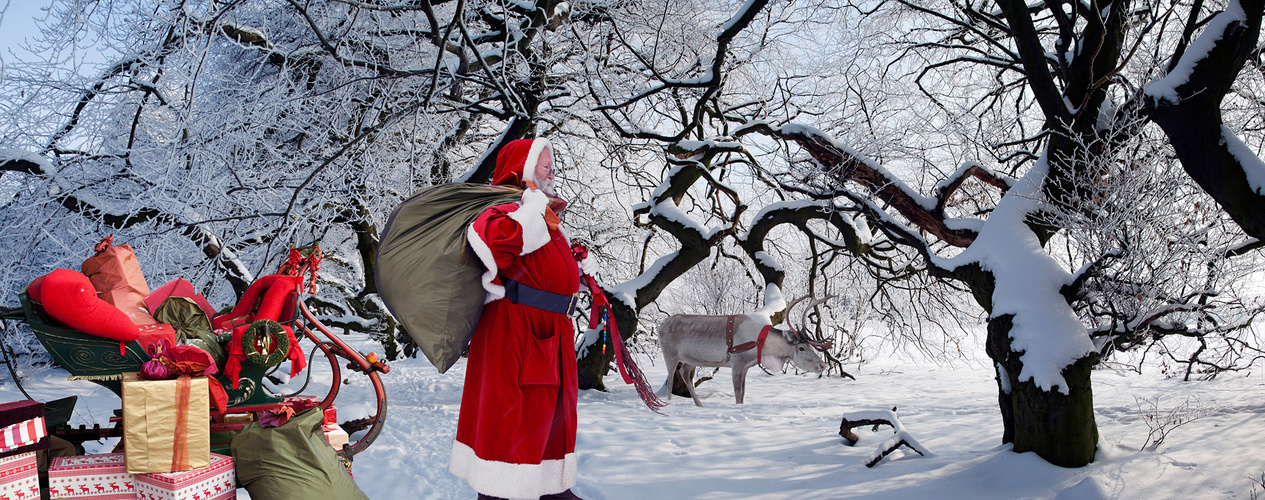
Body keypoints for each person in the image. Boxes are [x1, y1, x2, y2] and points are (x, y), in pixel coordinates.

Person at [449, 138, 587, 500]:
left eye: (552, 166)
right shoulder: (503, 206)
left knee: (550, 415)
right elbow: (494, 244)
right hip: (518, 333)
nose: (552, 173)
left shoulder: (537, 210)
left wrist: (575, 263)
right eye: (545, 166)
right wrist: (530, 207)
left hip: (549, 332)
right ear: (523, 169)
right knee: (515, 417)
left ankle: (551, 488)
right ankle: (498, 492)